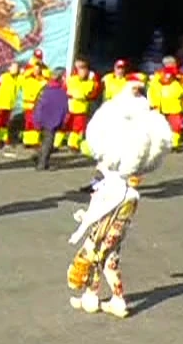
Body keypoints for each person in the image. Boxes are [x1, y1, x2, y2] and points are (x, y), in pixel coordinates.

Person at [68, 83, 172, 318]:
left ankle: (92, 297)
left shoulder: (117, 188)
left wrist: (89, 224)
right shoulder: (126, 189)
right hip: (114, 231)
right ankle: (117, 300)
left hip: (106, 232)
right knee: (109, 263)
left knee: (94, 257)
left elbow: (106, 213)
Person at [148, 58, 183, 149]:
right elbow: (152, 90)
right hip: (160, 107)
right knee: (159, 126)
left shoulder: (182, 77)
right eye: (168, 63)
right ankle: (159, 142)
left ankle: (174, 145)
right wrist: (153, 103)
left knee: (176, 126)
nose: (171, 65)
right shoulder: (157, 76)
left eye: (173, 63)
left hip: (175, 107)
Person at [57, 61, 99, 151]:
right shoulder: (71, 80)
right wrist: (74, 94)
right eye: (81, 69)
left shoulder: (91, 82)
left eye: (85, 70)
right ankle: (55, 144)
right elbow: (64, 91)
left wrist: (84, 95)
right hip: (69, 108)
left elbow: (93, 94)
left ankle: (72, 145)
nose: (83, 72)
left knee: (77, 129)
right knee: (63, 127)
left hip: (81, 110)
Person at [34, 68, 70, 171]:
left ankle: (40, 159)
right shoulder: (59, 91)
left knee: (45, 141)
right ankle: (42, 163)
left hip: (45, 120)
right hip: (51, 121)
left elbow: (38, 105)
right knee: (48, 142)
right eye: (63, 76)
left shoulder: (46, 89)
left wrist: (37, 119)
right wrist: (63, 121)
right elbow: (64, 108)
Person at [0, 60, 21, 153]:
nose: (16, 69)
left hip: (9, 104)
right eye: (14, 67)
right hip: (0, 104)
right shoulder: (3, 77)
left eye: (17, 68)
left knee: (5, 123)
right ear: (9, 68)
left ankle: (4, 139)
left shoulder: (18, 79)